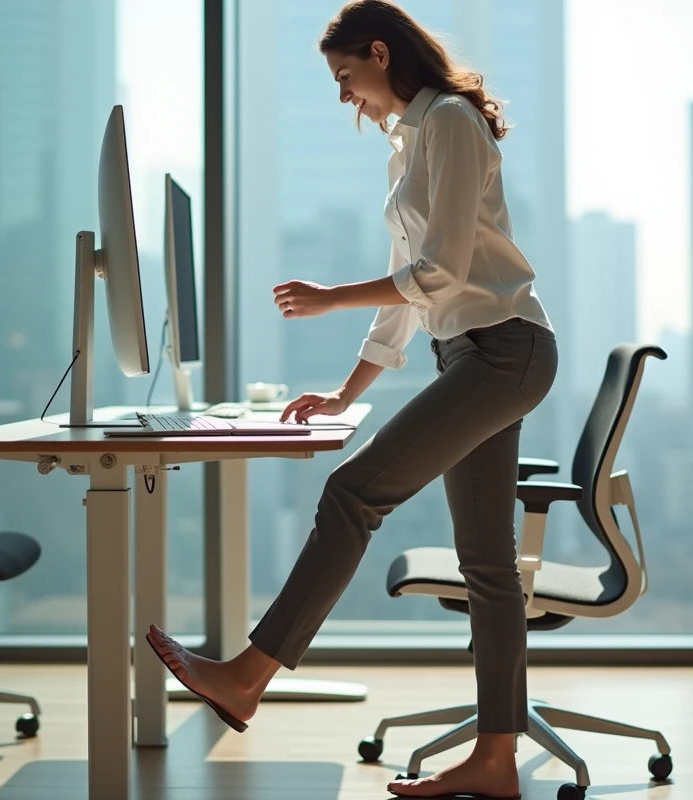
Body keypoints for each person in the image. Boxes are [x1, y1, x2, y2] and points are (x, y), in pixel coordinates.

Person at [147, 1, 556, 797]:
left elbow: (439, 272)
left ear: (380, 52)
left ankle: (247, 676)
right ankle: (496, 761)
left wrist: (330, 296)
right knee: (487, 564)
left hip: (506, 351)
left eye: (345, 75)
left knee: (352, 493)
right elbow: (409, 295)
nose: (343, 95)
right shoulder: (409, 144)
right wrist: (346, 390)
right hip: (467, 354)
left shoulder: (452, 123)